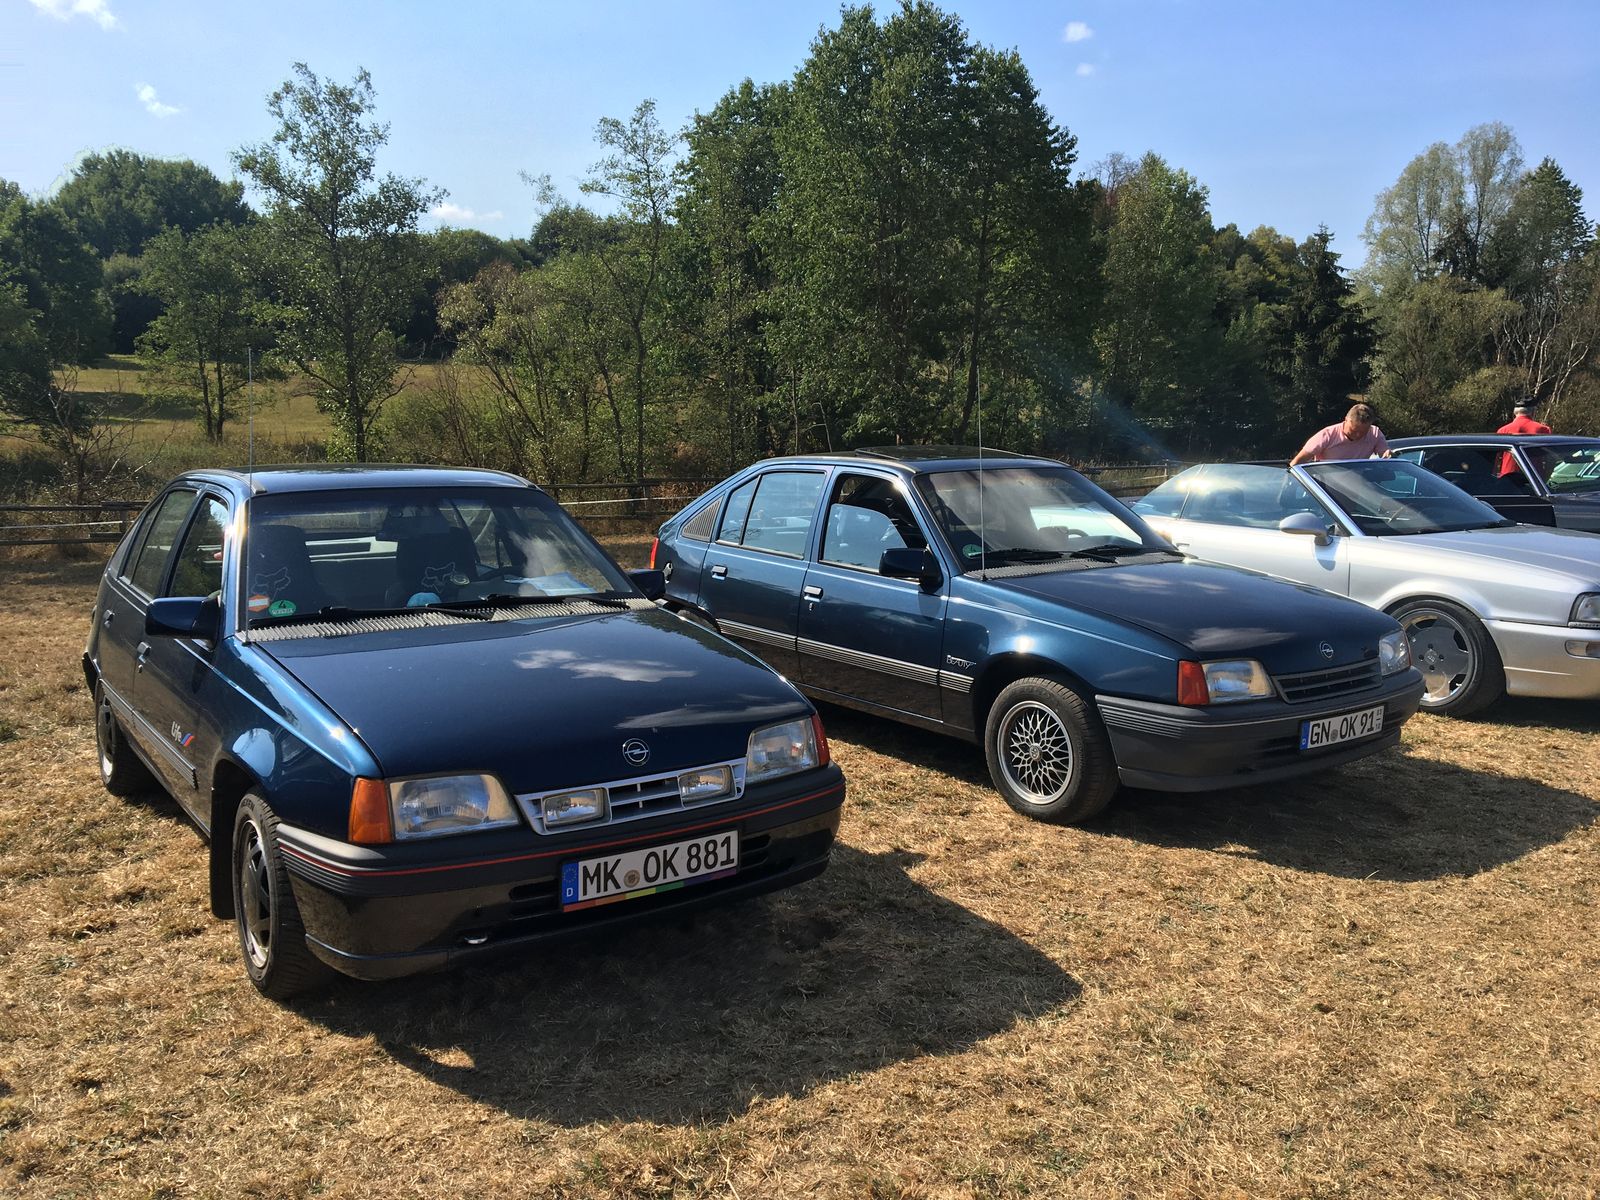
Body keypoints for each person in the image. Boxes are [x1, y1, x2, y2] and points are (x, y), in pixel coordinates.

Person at [1290, 403, 1391, 465]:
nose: (1358, 435)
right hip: (1326, 486)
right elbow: (1297, 462)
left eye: (1363, 432)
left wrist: (1387, 454)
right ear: (1346, 420)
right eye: (1354, 431)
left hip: (1359, 482)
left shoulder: (1374, 433)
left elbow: (1385, 456)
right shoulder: (1327, 435)